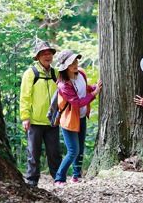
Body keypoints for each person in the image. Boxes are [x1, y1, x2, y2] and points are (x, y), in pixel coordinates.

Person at [53, 49, 102, 186]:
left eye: (76, 61)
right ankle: (59, 178)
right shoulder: (63, 85)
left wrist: (94, 87)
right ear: (64, 67)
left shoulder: (80, 73)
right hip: (69, 120)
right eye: (71, 63)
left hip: (81, 117)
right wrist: (94, 94)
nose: (75, 64)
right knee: (73, 150)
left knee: (80, 149)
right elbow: (77, 102)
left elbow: (84, 88)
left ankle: (76, 176)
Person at [20, 41, 62, 186]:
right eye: (43, 53)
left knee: (55, 152)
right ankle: (32, 181)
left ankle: (58, 179)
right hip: (34, 121)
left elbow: (63, 94)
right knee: (33, 153)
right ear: (38, 56)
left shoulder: (55, 73)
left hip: (52, 121)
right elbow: (25, 96)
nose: (47, 56)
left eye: (49, 53)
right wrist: (25, 117)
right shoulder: (31, 73)